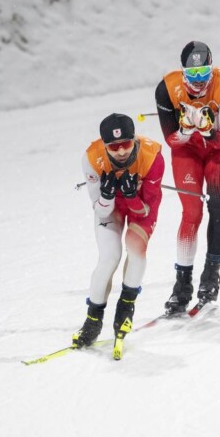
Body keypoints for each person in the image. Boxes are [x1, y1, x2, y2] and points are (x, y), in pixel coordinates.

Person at [154, 41, 220, 315]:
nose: (199, 82)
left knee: (217, 204)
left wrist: (206, 127)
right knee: (191, 212)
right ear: (183, 73)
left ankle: (211, 276)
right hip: (187, 149)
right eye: (193, 76)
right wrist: (188, 130)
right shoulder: (166, 88)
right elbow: (172, 141)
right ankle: (182, 285)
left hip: (219, 150)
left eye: (204, 74)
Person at [74, 113, 164, 360]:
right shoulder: (92, 158)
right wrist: (106, 196)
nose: (121, 151)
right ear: (105, 146)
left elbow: (144, 209)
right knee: (109, 258)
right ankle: (93, 319)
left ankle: (125, 309)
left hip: (141, 206)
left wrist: (132, 195)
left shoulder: (153, 156)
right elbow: (101, 211)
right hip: (111, 208)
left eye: (126, 143)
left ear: (135, 140)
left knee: (135, 249)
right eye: (114, 147)